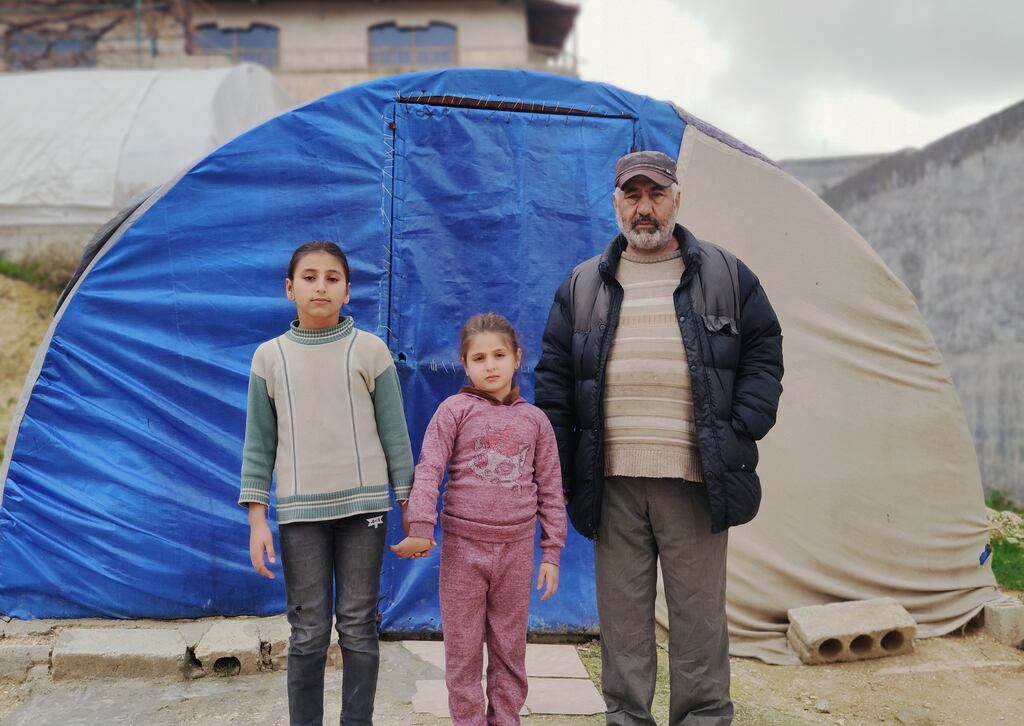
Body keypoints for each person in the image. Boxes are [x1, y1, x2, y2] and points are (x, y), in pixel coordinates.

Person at [535, 150, 783, 725]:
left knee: (699, 623)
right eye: (632, 195)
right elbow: (554, 379)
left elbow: (764, 349)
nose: (644, 208)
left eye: (656, 194)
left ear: (677, 199)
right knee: (622, 623)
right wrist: (560, 465)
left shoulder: (725, 274)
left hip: (696, 480)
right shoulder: (583, 285)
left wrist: (742, 424)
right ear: (615, 203)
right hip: (611, 482)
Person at [239, 240, 415, 726]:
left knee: (358, 627)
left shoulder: (370, 351)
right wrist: (258, 521)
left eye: (333, 278)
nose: (321, 287)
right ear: (289, 288)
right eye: (310, 277)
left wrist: (412, 510)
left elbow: (395, 436)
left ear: (348, 291)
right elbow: (259, 446)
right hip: (300, 517)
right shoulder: (269, 358)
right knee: (309, 632)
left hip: (365, 513)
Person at [391, 312, 567, 726]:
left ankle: (506, 719)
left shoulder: (536, 421)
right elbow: (429, 468)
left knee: (509, 649)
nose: (490, 365)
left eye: (499, 355)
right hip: (463, 551)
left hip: (516, 552)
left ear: (517, 357)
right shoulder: (453, 411)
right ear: (465, 364)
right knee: (463, 650)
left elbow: (551, 488)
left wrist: (552, 552)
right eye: (479, 358)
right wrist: (421, 527)